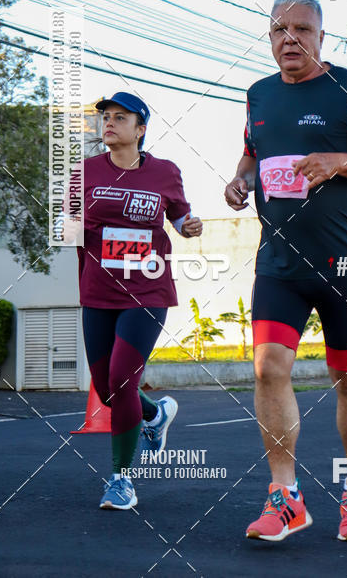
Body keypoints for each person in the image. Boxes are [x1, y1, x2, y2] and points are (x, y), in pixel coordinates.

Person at [224, 0, 347, 543]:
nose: (290, 39)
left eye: (302, 28)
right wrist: (240, 179)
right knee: (267, 369)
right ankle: (286, 499)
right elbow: (254, 152)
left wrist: (340, 162)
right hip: (279, 262)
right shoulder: (258, 94)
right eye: (279, 29)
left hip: (344, 264)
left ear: (323, 36)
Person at [67, 91, 203, 508]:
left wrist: (189, 226)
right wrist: (71, 224)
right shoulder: (83, 172)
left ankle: (121, 479)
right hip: (98, 291)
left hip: (147, 290)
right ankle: (154, 414)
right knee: (108, 389)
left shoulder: (164, 172)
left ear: (140, 129)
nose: (109, 123)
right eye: (105, 117)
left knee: (122, 377)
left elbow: (179, 218)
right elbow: (68, 228)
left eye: (120, 117)